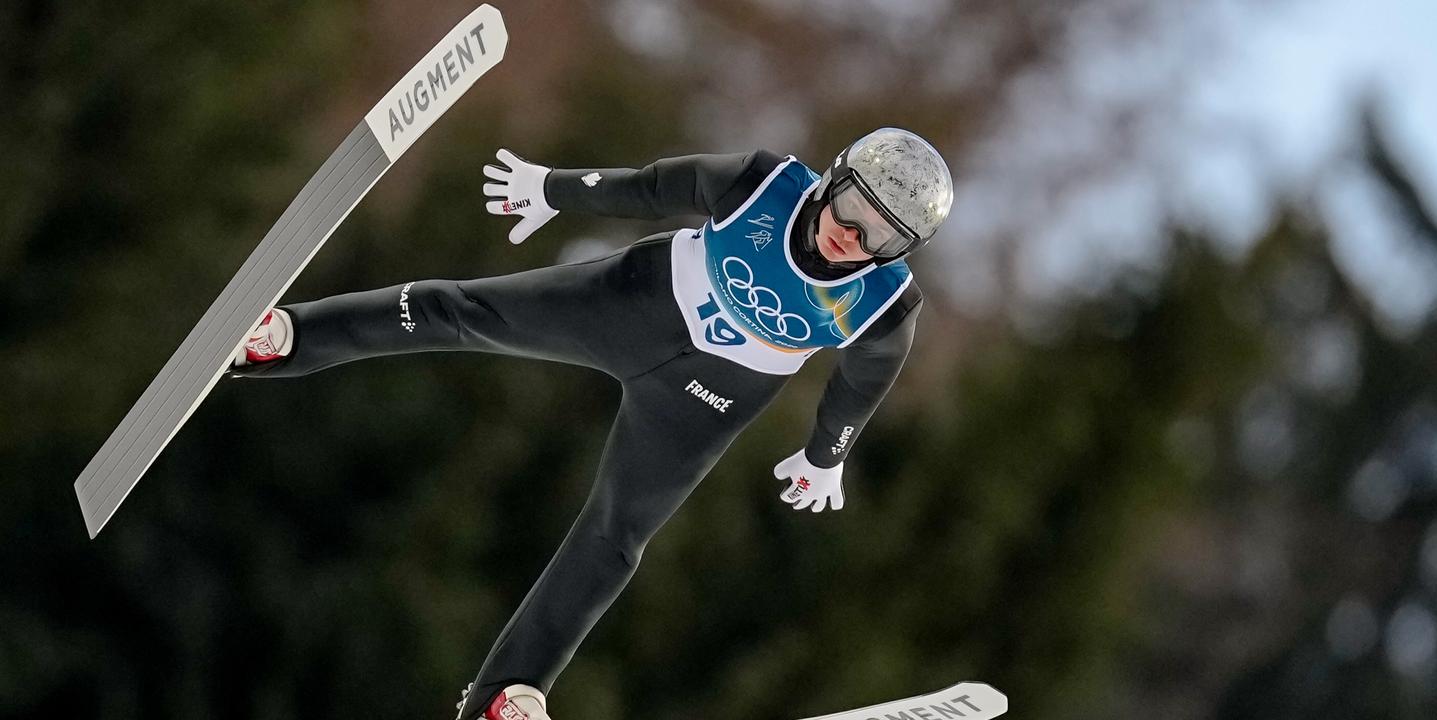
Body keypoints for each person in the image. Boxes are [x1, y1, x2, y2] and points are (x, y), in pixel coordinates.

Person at [229, 127, 954, 720]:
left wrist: (827, 456)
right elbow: (653, 186)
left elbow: (864, 380)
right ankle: (288, 337)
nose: (850, 241)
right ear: (832, 181)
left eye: (879, 241)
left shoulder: (887, 305)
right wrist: (551, 189)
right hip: (631, 304)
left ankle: (508, 694)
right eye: (851, 213)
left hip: (709, 396)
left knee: (617, 535)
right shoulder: (764, 184)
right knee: (461, 311)